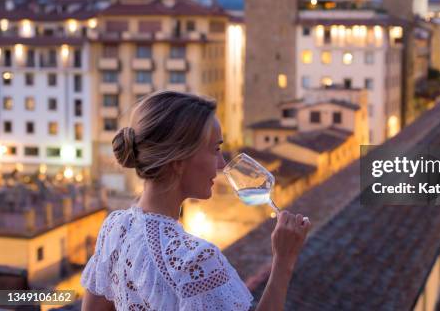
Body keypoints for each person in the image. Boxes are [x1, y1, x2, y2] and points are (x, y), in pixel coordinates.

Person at [81, 90, 311, 310]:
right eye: (215, 149)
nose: (222, 164)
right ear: (179, 160)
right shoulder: (196, 261)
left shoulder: (116, 229)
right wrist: (284, 260)